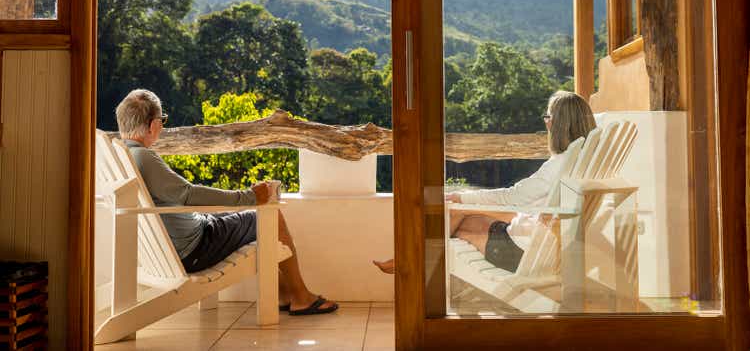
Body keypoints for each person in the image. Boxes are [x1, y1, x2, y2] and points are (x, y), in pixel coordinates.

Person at [116, 89, 338, 316]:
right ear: (153, 125)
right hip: (195, 249)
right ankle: (301, 297)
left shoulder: (124, 156)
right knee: (268, 216)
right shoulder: (144, 157)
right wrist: (249, 196)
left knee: (252, 216)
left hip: (170, 246)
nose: (162, 127)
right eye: (162, 121)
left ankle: (283, 294)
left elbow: (178, 196)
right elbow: (188, 195)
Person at [373, 90, 596, 275]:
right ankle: (411, 258)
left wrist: (462, 197)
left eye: (548, 118)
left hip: (528, 256)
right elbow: (529, 203)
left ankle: (410, 260)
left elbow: (515, 198)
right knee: (459, 219)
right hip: (550, 246)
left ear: (558, 124)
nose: (546, 124)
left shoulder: (560, 163)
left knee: (456, 213)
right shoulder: (585, 158)